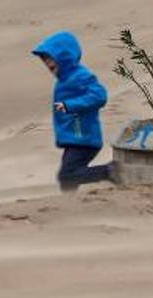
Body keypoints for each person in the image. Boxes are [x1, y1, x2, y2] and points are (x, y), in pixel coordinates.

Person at [32, 31, 114, 192]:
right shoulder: (65, 79)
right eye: (44, 59)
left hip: (83, 137)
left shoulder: (80, 76)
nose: (47, 63)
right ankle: (70, 207)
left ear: (64, 56)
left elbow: (99, 95)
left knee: (67, 175)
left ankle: (110, 171)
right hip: (75, 137)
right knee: (67, 179)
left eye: (50, 58)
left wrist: (70, 106)